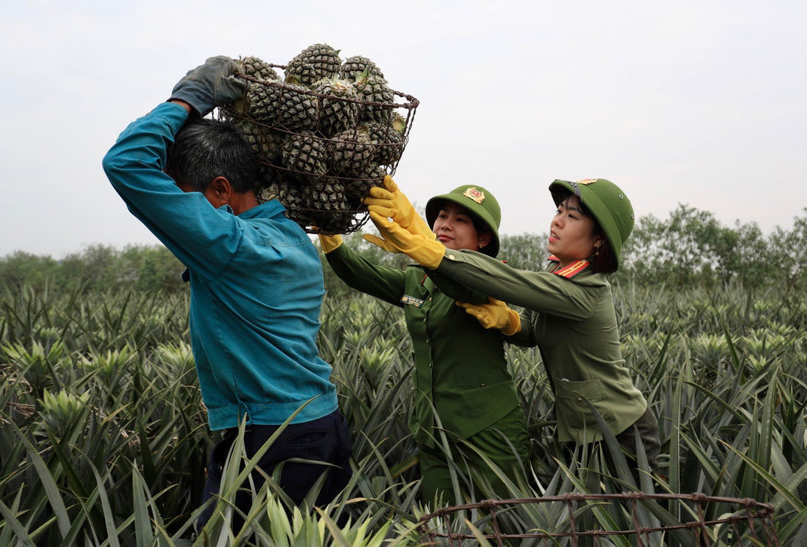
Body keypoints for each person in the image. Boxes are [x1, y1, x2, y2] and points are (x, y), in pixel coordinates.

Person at [102, 57, 352, 532]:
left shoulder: (231, 245)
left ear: (220, 190)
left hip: (270, 437)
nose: (179, 208)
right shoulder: (291, 235)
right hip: (321, 423)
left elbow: (125, 163)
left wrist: (187, 99)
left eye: (183, 194)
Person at [363, 177, 660, 477]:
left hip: (620, 430)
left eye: (572, 216)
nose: (557, 221)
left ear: (599, 240)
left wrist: (425, 242)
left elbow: (507, 281)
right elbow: (532, 331)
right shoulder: (556, 271)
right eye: (559, 211)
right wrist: (511, 323)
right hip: (579, 427)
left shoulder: (586, 290)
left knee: (632, 508)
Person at [319, 177, 530, 504]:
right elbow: (363, 275)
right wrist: (330, 237)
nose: (445, 224)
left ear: (483, 238)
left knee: (502, 522)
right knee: (440, 520)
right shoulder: (419, 280)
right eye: (442, 216)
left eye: (460, 220)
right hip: (433, 428)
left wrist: (419, 242)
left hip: (489, 428)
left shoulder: (488, 276)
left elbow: (458, 282)